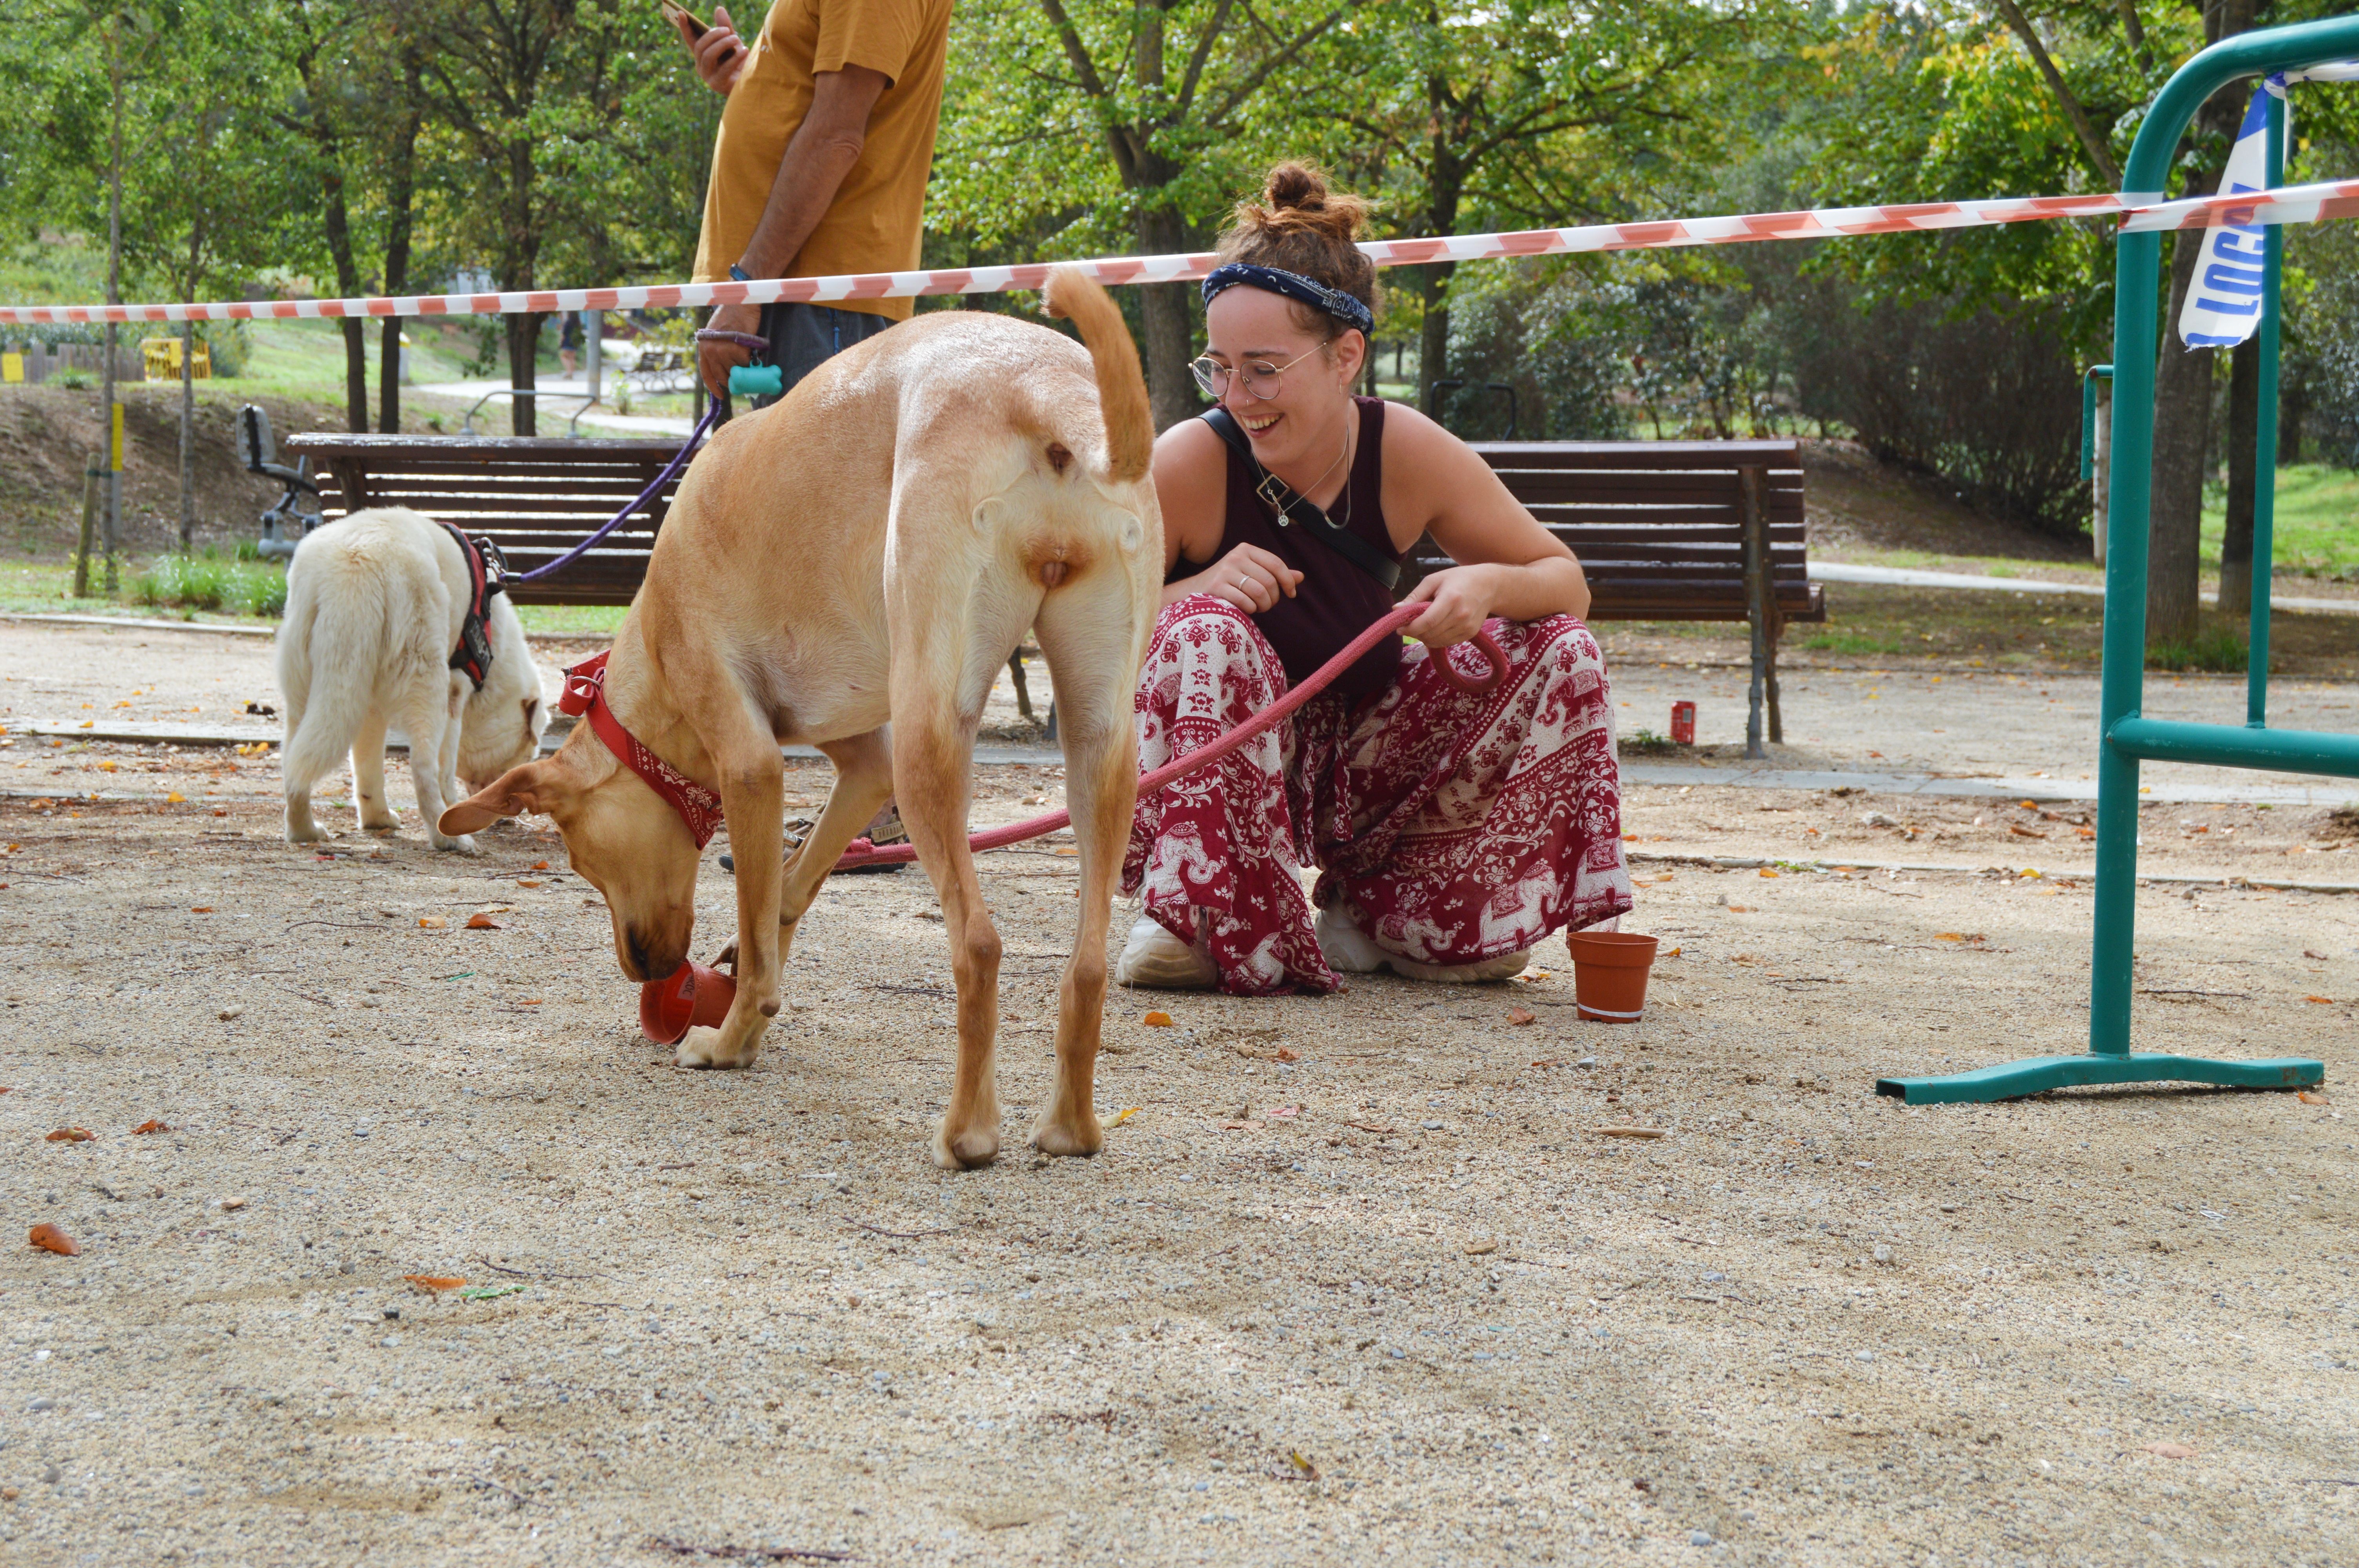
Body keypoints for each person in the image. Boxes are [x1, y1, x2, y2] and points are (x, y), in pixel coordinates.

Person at [1117, 163, 1632, 996]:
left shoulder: (1405, 446)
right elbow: (1078, 621)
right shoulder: (1187, 460)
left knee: (1559, 647)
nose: (1235, 394)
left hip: (1363, 762)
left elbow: (1563, 581)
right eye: (1217, 367)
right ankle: (1197, 908)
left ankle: (1400, 912)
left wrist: (1486, 588)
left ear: (1345, 355)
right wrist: (1194, 586)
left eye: (1263, 367)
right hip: (1223, 773)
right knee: (1203, 629)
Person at [673, 0, 954, 405]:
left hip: (816, 297)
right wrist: (749, 86)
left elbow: (835, 138)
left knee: (818, 470)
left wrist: (748, 288)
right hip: (799, 294)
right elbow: (832, 115)